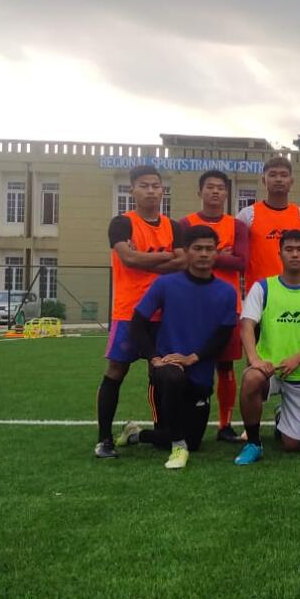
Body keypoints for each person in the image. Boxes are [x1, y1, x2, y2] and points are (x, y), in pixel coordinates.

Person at [116, 225, 239, 470]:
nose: (203, 254)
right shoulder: (165, 284)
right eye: (197, 248)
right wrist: (154, 358)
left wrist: (193, 357)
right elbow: (138, 322)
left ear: (217, 253)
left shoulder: (227, 292)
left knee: (193, 442)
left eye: (209, 249)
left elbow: (222, 336)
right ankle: (178, 448)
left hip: (199, 376)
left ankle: (136, 435)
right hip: (168, 371)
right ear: (187, 252)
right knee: (173, 378)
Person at [95, 164, 185, 459]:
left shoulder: (173, 227)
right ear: (132, 189)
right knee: (116, 370)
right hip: (128, 312)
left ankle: (162, 432)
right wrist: (164, 257)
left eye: (155, 186)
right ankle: (104, 439)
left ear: (163, 190)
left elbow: (183, 262)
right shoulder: (122, 223)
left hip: (164, 312)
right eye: (144, 185)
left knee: (159, 371)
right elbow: (128, 259)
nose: (150, 191)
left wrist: (144, 257)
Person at [233, 230, 300, 465]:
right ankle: (254, 443)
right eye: (289, 249)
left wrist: (298, 357)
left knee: (293, 445)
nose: (295, 254)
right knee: (251, 378)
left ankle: (283, 415)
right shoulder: (263, 287)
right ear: (279, 254)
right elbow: (247, 325)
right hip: (269, 369)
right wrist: (255, 360)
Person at [177, 170, 249, 444]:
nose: (215, 191)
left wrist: (204, 255)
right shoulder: (185, 224)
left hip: (227, 305)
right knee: (187, 363)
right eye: (210, 187)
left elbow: (241, 262)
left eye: (220, 187)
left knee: (225, 366)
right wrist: (222, 255)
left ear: (227, 193)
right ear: (200, 192)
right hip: (191, 304)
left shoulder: (236, 225)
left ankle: (224, 425)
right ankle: (185, 420)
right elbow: (182, 259)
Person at [236, 156, 300, 291]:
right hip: (259, 292)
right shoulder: (247, 215)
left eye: (284, 175)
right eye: (272, 175)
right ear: (263, 180)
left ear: (291, 181)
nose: (278, 179)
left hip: (294, 292)